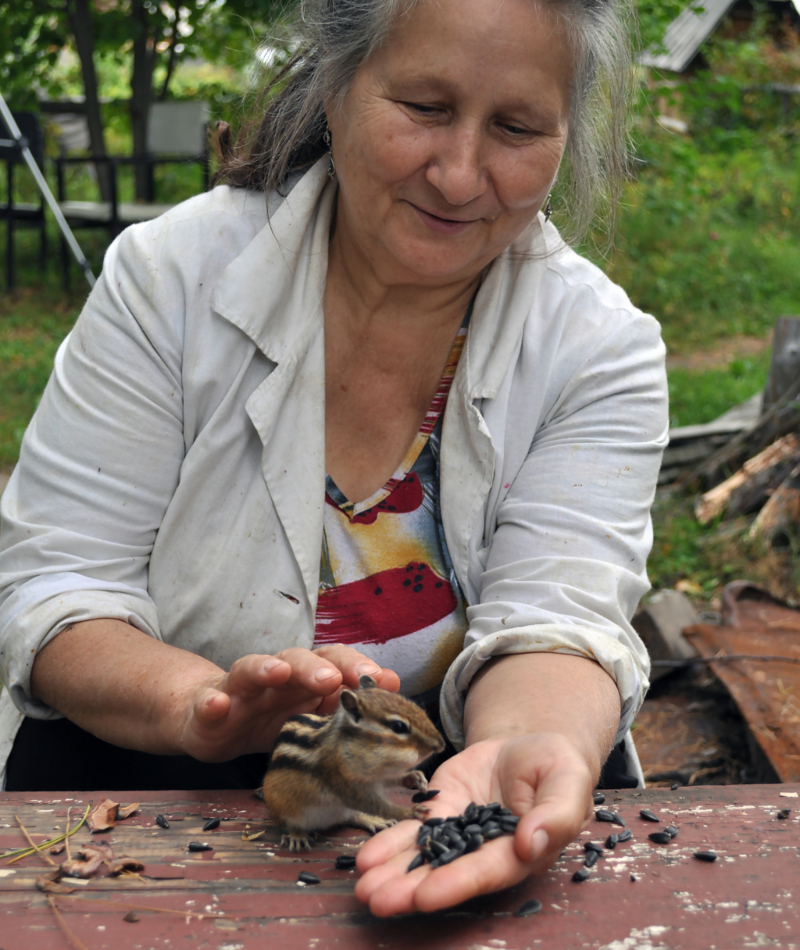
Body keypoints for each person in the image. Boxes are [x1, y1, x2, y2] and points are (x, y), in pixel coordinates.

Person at [0, 0, 667, 917]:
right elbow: (55, 589)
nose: (462, 173)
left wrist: (529, 743)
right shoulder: (170, 279)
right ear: (336, 88)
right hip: (136, 794)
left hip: (425, 798)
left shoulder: (599, 348)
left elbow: (559, 619)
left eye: (516, 128)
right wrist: (200, 705)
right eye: (425, 108)